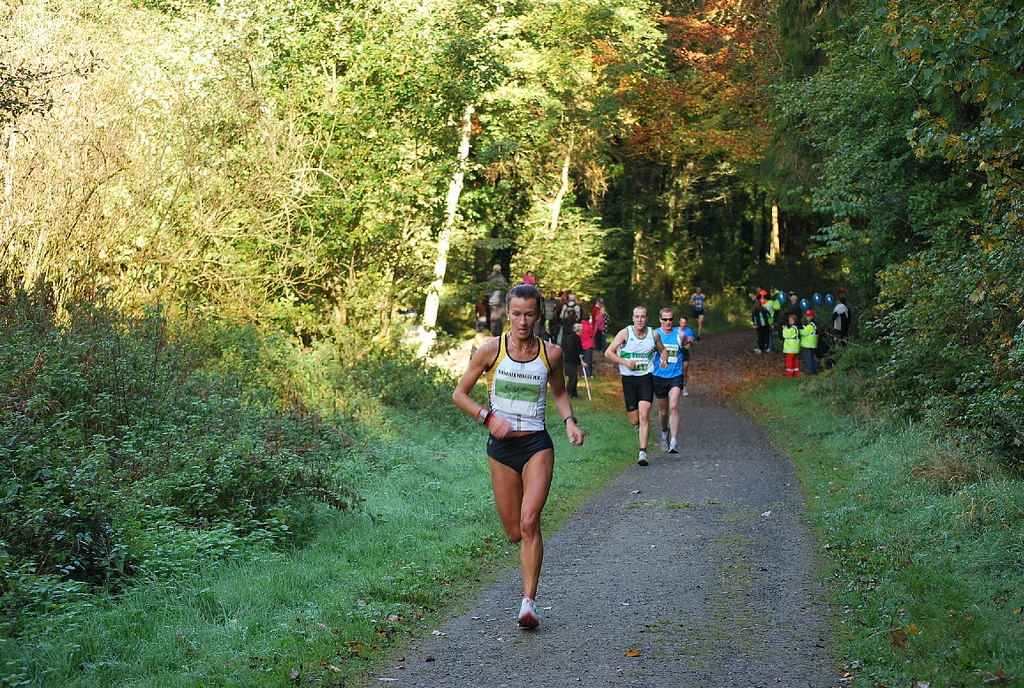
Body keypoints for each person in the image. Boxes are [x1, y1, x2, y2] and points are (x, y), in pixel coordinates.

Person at [452, 282, 583, 629]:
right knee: (514, 532)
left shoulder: (551, 354)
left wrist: (570, 422)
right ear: (507, 314)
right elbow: (460, 394)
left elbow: (559, 394)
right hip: (501, 450)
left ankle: (529, 603)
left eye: (528, 314)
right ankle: (528, 584)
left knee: (529, 521)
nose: (522, 322)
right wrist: (487, 417)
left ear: (538, 315)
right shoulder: (490, 351)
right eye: (516, 314)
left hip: (536, 445)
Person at [604, 306, 668, 466]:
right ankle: (639, 429)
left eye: (643, 316)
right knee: (634, 420)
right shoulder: (625, 333)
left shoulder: (653, 335)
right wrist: (625, 362)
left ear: (647, 319)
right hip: (628, 379)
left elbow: (663, 350)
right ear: (633, 318)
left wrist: (664, 359)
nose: (640, 320)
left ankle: (643, 452)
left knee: (644, 414)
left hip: (646, 377)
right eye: (637, 316)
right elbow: (608, 352)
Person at [652, 307, 684, 454]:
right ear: (660, 320)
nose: (668, 322)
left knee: (673, 406)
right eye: (665, 319)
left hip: (675, 375)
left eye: (670, 319)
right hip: (659, 376)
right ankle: (664, 432)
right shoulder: (654, 335)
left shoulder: (680, 335)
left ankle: (674, 442)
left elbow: (686, 347)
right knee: (664, 412)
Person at [486, 265, 509, 337]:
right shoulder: (502, 278)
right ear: (500, 270)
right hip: (500, 300)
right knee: (500, 318)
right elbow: (505, 289)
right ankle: (499, 334)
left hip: (491, 301)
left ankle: (494, 334)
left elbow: (487, 290)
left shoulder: (489, 278)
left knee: (493, 317)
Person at [562, 322, 583, 398]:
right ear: (579, 330)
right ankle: (566, 394)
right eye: (581, 329)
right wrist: (582, 360)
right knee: (573, 378)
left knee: (574, 378)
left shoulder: (569, 337)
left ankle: (574, 394)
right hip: (571, 360)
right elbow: (579, 350)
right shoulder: (576, 338)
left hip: (569, 359)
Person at [678, 316, 695, 396]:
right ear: (679, 322)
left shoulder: (689, 331)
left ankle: (684, 387)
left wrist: (690, 342)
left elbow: (693, 343)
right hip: (677, 352)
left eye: (684, 323)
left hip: (685, 352)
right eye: (682, 322)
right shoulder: (675, 330)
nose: (683, 324)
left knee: (684, 371)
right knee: (676, 370)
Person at [800, 309, 819, 375]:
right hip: (811, 344)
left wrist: (798, 331)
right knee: (812, 358)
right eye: (807, 316)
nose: (807, 317)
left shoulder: (811, 325)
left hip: (808, 344)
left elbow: (804, 332)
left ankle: (810, 370)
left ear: (812, 316)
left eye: (808, 316)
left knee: (809, 358)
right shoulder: (811, 324)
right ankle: (814, 370)